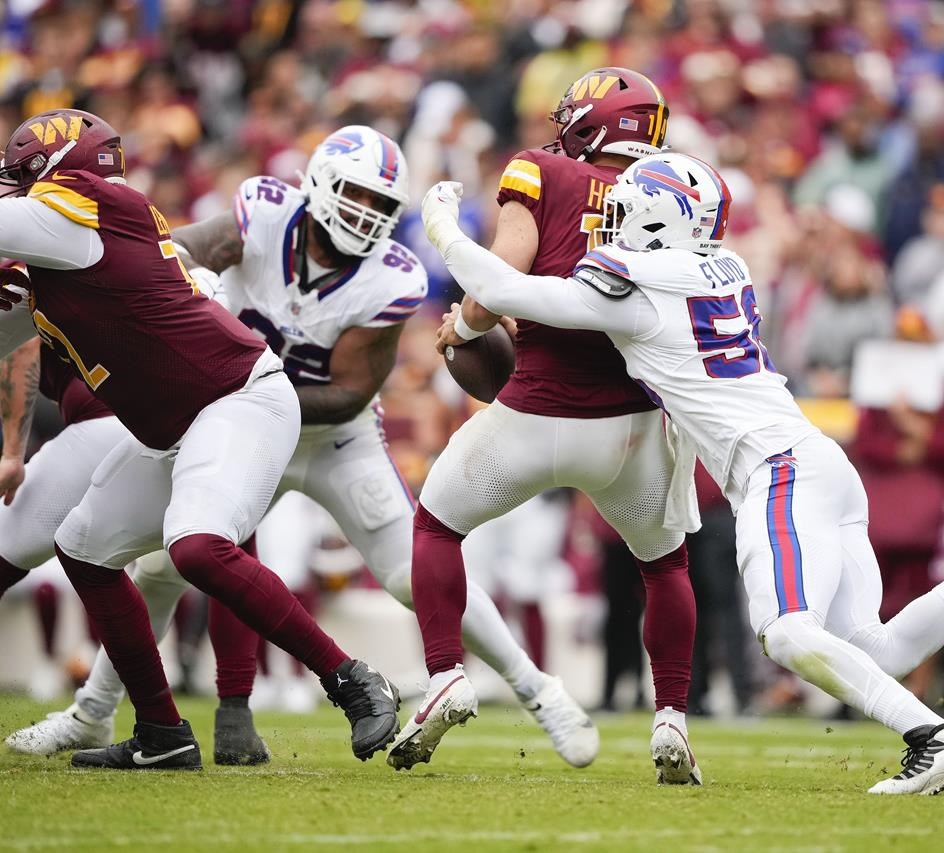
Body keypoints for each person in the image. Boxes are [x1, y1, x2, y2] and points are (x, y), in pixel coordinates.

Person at [412, 151, 944, 795]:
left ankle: (934, 737)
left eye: (629, 211)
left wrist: (443, 223)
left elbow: (505, 291)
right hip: (819, 462)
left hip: (776, 470)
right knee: (874, 646)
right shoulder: (728, 265)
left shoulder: (637, 278)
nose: (615, 225)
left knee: (784, 632)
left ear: (660, 219)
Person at [6, 125, 597, 769]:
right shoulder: (260, 213)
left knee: (397, 569)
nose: (365, 214)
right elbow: (182, 250)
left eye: (380, 205)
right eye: (356, 196)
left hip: (313, 429)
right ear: (317, 185)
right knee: (114, 553)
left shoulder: (390, 277)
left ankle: (537, 692)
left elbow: (346, 392)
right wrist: (181, 287)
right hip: (209, 411)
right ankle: (135, 723)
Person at [0, 108, 398, 769]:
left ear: (55, 174)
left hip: (241, 398)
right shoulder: (61, 251)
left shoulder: (86, 212)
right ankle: (162, 732)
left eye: (22, 176)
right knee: (82, 546)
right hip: (175, 425)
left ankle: (351, 678)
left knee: (197, 547)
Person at [389, 68, 701, 783]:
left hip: (535, 406)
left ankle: (443, 674)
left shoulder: (541, 168)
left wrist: (464, 325)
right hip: (632, 424)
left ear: (593, 122)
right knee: (665, 565)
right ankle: (673, 718)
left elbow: (507, 269)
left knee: (436, 525)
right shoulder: (682, 191)